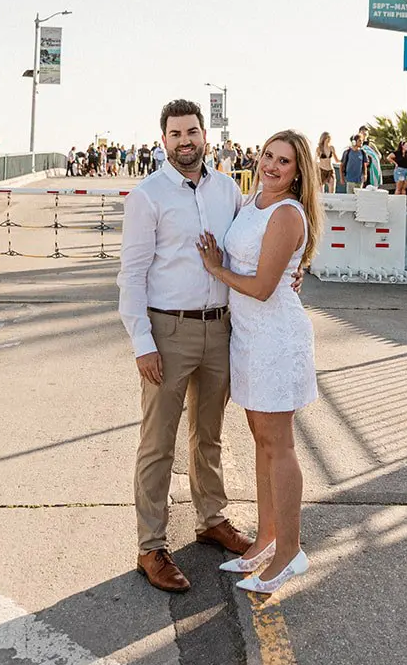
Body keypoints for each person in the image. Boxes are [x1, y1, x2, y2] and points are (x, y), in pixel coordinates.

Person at [117, 100, 253, 593]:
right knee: (158, 443)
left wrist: (289, 275)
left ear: (204, 136)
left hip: (218, 329)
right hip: (167, 333)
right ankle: (151, 547)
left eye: (191, 132)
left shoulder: (228, 190)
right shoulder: (148, 196)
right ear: (163, 140)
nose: (184, 141)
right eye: (175, 134)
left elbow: (246, 250)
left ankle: (211, 520)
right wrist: (142, 343)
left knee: (209, 434)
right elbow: (131, 275)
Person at [197, 129, 322, 595]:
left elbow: (264, 286)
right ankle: (266, 539)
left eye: (283, 161)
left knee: (279, 443)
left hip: (276, 337)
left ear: (297, 172)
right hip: (247, 336)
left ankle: (291, 552)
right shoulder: (253, 202)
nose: (271, 165)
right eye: (268, 156)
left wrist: (216, 269)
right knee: (260, 439)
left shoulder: (288, 213)